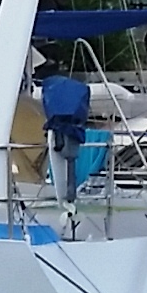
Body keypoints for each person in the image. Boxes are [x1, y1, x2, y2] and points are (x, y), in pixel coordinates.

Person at [38, 61, 93, 198]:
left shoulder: (52, 88)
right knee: (70, 157)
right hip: (71, 129)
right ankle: (69, 194)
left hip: (60, 130)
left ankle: (67, 194)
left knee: (66, 156)